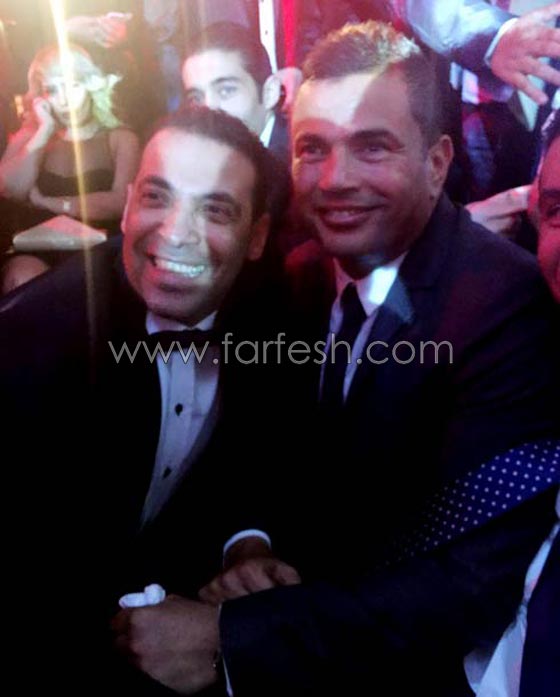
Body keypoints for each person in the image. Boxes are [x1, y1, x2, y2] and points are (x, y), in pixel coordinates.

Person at [113, 21, 559, 697]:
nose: (334, 179)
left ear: (438, 162)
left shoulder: (504, 303)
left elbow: (471, 583)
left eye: (372, 146)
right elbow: (267, 447)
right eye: (312, 148)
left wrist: (228, 639)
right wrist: (251, 542)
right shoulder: (301, 273)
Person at [0, 105, 285, 693]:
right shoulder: (30, 346)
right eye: (157, 197)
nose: (176, 232)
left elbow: (252, 456)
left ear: (256, 237)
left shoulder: (269, 311)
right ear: (128, 206)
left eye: (215, 209)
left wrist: (246, 547)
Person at [0, 43, 139, 292]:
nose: (63, 100)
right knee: (23, 277)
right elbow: (9, 190)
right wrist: (44, 132)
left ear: (90, 84)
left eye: (72, 85)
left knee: (91, 280)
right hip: (37, 250)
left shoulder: (120, 138)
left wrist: (50, 203)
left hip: (99, 249)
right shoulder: (30, 135)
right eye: (52, 90)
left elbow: (121, 201)